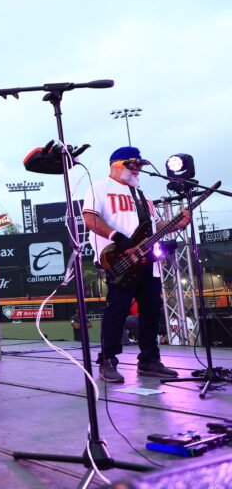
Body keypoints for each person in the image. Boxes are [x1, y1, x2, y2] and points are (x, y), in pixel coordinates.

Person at [82, 146, 190, 383]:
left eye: (141, 165)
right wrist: (117, 238)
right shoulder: (100, 187)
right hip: (119, 260)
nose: (139, 170)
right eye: (135, 165)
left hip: (147, 260)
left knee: (152, 310)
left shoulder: (142, 195)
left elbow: (156, 226)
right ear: (118, 164)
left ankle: (149, 360)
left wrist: (177, 224)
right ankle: (108, 361)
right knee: (117, 309)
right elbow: (90, 217)